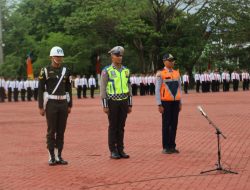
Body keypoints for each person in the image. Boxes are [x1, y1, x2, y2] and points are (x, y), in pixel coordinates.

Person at [38, 46, 72, 166]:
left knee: (61, 131)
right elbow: (41, 89)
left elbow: (68, 89)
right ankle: (51, 156)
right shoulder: (45, 70)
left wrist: (70, 105)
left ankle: (59, 156)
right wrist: (41, 106)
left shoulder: (66, 71)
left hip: (63, 103)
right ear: (51, 57)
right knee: (51, 130)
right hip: (51, 103)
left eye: (60, 56)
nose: (58, 58)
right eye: (56, 56)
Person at [100, 46, 132, 159]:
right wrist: (105, 105)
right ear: (112, 57)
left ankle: (121, 149)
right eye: (117, 55)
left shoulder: (126, 70)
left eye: (121, 55)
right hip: (112, 101)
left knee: (121, 126)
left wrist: (130, 103)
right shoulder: (106, 70)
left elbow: (129, 87)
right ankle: (113, 150)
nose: (119, 57)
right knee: (113, 126)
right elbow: (103, 89)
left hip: (123, 101)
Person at [155, 53, 182, 154]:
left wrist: (180, 102)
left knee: (174, 124)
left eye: (173, 60)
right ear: (164, 61)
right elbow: (157, 89)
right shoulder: (160, 73)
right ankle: (166, 146)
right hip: (165, 102)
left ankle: (172, 145)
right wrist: (159, 104)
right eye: (170, 60)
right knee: (166, 124)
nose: (172, 62)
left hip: (175, 102)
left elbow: (180, 88)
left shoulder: (177, 73)